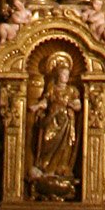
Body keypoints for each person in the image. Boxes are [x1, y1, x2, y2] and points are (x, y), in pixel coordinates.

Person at [29, 54, 81, 198]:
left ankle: (61, 168)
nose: (65, 77)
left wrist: (71, 105)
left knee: (65, 146)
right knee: (47, 141)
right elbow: (45, 102)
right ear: (58, 75)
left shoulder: (72, 90)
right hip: (52, 120)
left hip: (66, 122)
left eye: (67, 75)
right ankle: (46, 168)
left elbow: (78, 105)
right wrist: (36, 106)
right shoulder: (52, 89)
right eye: (63, 74)